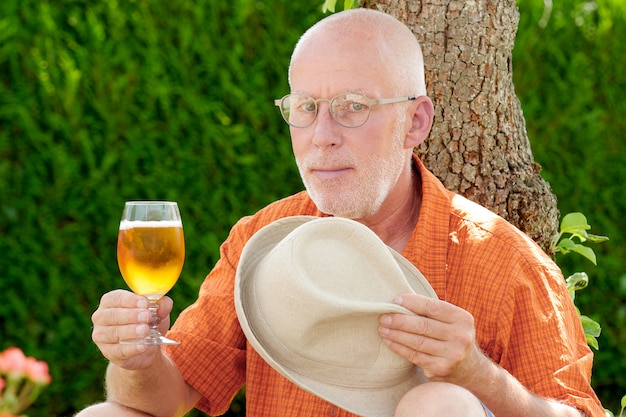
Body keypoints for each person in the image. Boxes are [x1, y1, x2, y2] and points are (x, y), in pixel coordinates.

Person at [77, 8, 604, 417]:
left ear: (416, 122)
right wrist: (137, 359)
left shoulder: (504, 261)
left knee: (438, 404)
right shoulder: (263, 241)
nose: (322, 138)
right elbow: (168, 395)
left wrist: (478, 376)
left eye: (353, 106)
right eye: (305, 108)